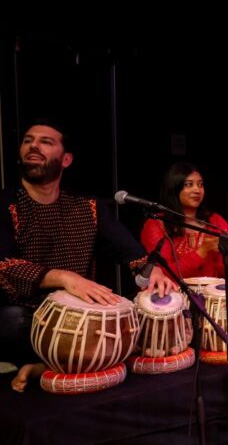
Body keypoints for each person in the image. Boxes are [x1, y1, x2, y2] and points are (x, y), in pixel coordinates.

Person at [1, 120, 175, 391]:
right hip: (28, 316)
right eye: (28, 140)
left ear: (66, 159)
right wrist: (64, 278)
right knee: (10, 321)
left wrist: (152, 272)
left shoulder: (87, 209)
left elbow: (134, 255)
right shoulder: (5, 204)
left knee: (149, 307)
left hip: (82, 321)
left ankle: (49, 367)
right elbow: (4, 266)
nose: (33, 145)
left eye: (46, 142)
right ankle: (77, 361)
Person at [140, 162, 228, 323]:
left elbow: (226, 270)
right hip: (176, 291)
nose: (197, 190)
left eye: (200, 185)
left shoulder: (213, 221)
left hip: (212, 291)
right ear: (174, 188)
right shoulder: (157, 224)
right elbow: (164, 273)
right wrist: (202, 251)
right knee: (169, 303)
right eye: (189, 185)